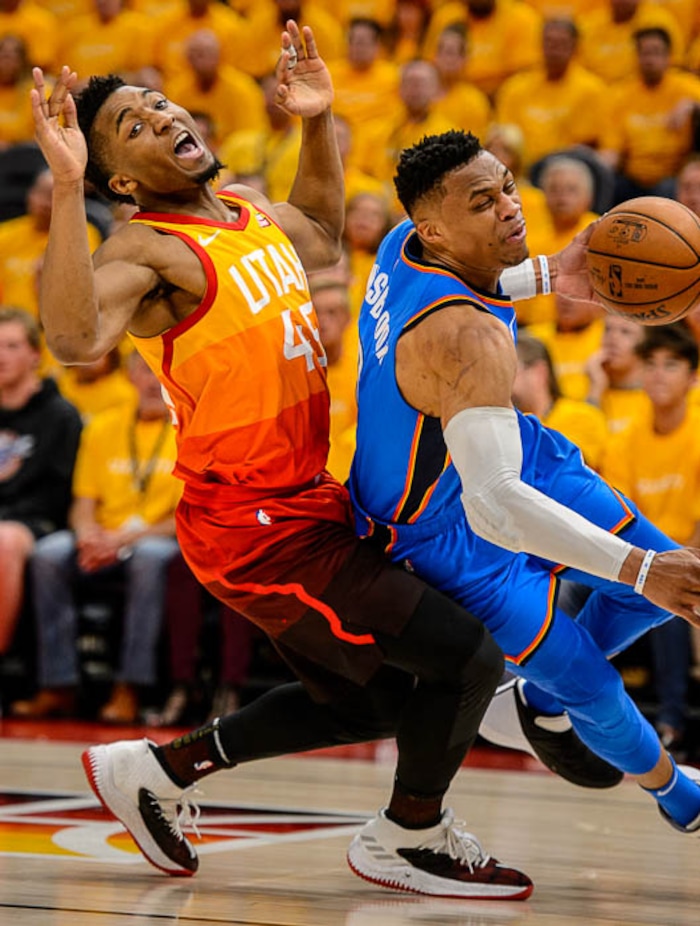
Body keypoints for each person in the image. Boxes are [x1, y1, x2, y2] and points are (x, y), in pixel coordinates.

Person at [30, 24, 540, 898]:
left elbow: (324, 241)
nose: (160, 116)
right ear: (122, 176)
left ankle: (160, 771)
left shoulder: (251, 211)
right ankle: (408, 837)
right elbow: (75, 339)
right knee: (464, 658)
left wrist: (316, 122)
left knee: (372, 699)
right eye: (133, 127)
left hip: (308, 501)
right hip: (252, 525)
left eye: (158, 104)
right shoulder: (148, 252)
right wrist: (71, 186)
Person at [347, 127, 700, 845]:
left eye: (507, 185)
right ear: (435, 225)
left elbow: (465, 281)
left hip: (501, 447)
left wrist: (546, 275)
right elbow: (496, 505)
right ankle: (678, 793)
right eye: (485, 202)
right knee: (598, 665)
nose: (511, 207)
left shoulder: (399, 246)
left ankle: (544, 695)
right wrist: (638, 570)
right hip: (436, 529)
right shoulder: (469, 339)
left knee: (672, 580)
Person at [11, 350, 182, 723]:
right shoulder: (103, 426)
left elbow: (185, 518)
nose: (153, 382)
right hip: (102, 538)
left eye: (161, 374)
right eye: (145, 371)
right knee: (48, 554)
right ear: (131, 377)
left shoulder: (189, 429)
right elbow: (82, 502)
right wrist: (88, 534)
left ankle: (130, 686)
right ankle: (59, 684)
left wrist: (123, 540)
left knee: (150, 559)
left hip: (157, 539)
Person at [602, 323, 700, 760]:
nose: (659, 374)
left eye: (672, 365)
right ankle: (563, 714)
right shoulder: (624, 440)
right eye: (652, 364)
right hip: (641, 559)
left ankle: (671, 723)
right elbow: (619, 519)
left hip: (687, 557)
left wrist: (671, 564)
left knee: (676, 591)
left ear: (693, 377)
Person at [0, 307, 82, 657]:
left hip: (38, 523)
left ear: (36, 354)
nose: (1, 356)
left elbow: (57, 493)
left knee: (3, 541)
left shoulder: (60, 414)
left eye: (12, 346)